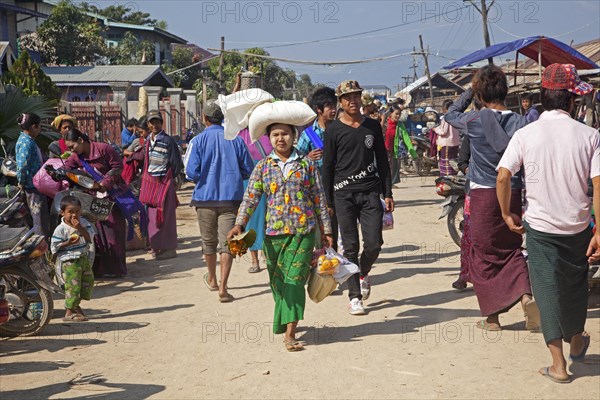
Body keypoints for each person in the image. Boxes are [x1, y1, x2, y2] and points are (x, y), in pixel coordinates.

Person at [497, 64, 598, 383]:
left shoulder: (525, 134)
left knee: (547, 290)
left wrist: (506, 214)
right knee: (575, 286)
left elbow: (502, 176)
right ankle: (578, 338)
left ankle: (558, 365)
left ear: (543, 98)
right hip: (579, 227)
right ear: (570, 101)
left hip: (540, 229)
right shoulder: (590, 135)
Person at [445, 65, 538, 331]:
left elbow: (450, 114)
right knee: (512, 249)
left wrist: (468, 92)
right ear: (505, 91)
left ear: (480, 93)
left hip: (484, 194)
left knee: (484, 255)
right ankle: (525, 296)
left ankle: (492, 318)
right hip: (515, 193)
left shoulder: (474, 121)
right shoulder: (522, 122)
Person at [228, 122, 333, 351]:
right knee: (277, 283)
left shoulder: (307, 165)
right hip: (273, 235)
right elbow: (250, 199)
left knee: (294, 281)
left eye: (285, 133)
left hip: (303, 232)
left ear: (293, 136)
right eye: (275, 135)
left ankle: (290, 333)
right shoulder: (263, 167)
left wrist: (327, 231)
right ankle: (284, 318)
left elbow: (319, 199)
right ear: (269, 138)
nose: (280, 138)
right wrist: (239, 225)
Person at [322, 80, 394, 315]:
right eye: (347, 97)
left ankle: (362, 272)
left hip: (370, 192)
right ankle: (354, 297)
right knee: (350, 246)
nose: (353, 100)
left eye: (356, 96)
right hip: (343, 195)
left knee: (374, 244)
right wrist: (329, 201)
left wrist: (388, 192)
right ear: (340, 102)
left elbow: (382, 161)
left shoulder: (372, 126)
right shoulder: (333, 129)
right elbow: (328, 166)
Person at [186, 101, 254, 302]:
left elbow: (191, 172)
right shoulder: (236, 139)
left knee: (208, 242)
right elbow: (248, 168)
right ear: (222, 118)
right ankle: (224, 288)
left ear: (205, 118)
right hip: (231, 198)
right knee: (228, 243)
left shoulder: (197, 141)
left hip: (204, 199)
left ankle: (213, 279)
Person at [64, 129, 128, 278]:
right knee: (97, 234)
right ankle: (101, 269)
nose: (71, 150)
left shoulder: (104, 149)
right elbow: (67, 167)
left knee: (113, 233)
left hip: (112, 197)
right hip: (92, 200)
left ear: (80, 140)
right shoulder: (76, 156)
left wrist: (104, 183)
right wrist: (57, 173)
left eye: (72, 146)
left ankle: (117, 269)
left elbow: (118, 167)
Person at [138, 110, 183, 261]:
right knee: (152, 217)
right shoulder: (148, 141)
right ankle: (156, 246)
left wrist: (171, 179)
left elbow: (176, 163)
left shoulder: (168, 140)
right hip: (151, 184)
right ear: (148, 124)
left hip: (164, 183)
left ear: (161, 123)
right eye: (152, 122)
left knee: (166, 217)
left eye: (157, 122)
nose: (154, 125)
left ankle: (169, 249)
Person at [50, 195, 95, 322]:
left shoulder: (84, 223)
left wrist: (79, 228)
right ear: (62, 213)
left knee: (88, 281)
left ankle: (75, 305)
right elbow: (54, 247)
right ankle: (69, 311)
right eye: (70, 212)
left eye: (77, 211)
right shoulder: (61, 229)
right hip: (69, 261)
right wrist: (67, 243)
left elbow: (89, 238)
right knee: (73, 286)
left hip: (82, 258)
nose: (74, 215)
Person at [238, 128, 273, 273]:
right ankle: (254, 260)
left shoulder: (272, 132)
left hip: (271, 177)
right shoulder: (241, 135)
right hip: (249, 178)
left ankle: (269, 254)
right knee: (252, 219)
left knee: (271, 218)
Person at [15, 113, 50, 238]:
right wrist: (21, 183)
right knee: (39, 219)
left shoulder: (29, 141)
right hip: (32, 186)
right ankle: (41, 249)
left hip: (37, 185)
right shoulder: (26, 142)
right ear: (34, 127)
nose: (40, 129)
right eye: (40, 126)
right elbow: (22, 165)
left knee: (42, 218)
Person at [296, 87, 337, 171]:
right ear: (319, 109)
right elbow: (296, 162)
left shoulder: (339, 129)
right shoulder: (308, 134)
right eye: (329, 107)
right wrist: (308, 158)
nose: (334, 110)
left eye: (334, 106)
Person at [435, 100, 460, 176]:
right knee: (453, 163)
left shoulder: (446, 118)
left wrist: (435, 129)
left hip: (447, 144)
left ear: (445, 108)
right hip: (455, 144)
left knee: (446, 164)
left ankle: (446, 180)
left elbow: (443, 132)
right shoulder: (457, 116)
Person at [121, 117, 149, 185]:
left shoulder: (146, 139)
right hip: (126, 148)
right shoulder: (125, 133)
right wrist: (135, 154)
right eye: (140, 132)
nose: (140, 134)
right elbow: (130, 141)